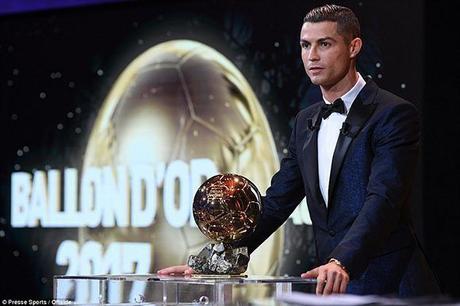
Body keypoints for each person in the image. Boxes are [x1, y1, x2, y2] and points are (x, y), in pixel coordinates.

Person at [158, 4, 440, 296]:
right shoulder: (306, 121)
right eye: (305, 45)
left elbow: (383, 200)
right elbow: (277, 202)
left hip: (393, 287)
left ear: (354, 46)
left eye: (324, 44)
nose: (312, 56)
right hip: (333, 287)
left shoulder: (393, 114)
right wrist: (215, 261)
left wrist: (341, 260)